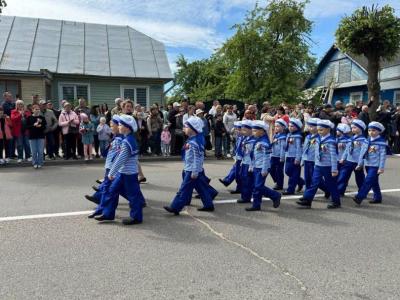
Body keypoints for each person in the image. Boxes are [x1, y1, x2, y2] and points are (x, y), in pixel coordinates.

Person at [94, 115, 145, 225]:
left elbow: (121, 159)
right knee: (112, 191)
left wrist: (111, 172)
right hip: (122, 172)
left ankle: (136, 217)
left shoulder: (128, 141)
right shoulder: (128, 139)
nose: (119, 126)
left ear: (127, 127)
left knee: (133, 195)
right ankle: (108, 213)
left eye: (121, 125)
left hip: (129, 174)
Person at [164, 116, 215, 215]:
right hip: (192, 169)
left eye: (186, 126)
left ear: (193, 129)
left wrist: (195, 171)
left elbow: (198, 158)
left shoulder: (194, 143)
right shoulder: (194, 140)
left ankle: (175, 207)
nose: (184, 128)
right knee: (201, 188)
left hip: (192, 170)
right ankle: (209, 204)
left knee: (184, 189)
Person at [297, 119, 341, 209]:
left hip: (328, 166)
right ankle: (307, 200)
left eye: (321, 130)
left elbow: (334, 156)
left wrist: (334, 169)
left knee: (331, 184)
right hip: (318, 165)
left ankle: (336, 201)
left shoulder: (331, 141)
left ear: (328, 129)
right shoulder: (318, 139)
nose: (319, 132)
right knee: (314, 182)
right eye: (318, 129)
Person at [85, 115, 123, 207]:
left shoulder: (121, 138)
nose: (111, 127)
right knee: (110, 184)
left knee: (120, 187)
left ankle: (139, 201)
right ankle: (99, 197)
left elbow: (120, 154)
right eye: (110, 125)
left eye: (112, 125)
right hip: (111, 164)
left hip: (115, 165)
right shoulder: (116, 136)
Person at [246, 120, 281, 211]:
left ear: (262, 131)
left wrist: (264, 169)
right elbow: (254, 156)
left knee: (258, 186)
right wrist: (251, 166)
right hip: (256, 166)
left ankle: (275, 195)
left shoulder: (264, 143)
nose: (253, 133)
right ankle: (256, 205)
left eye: (255, 131)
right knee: (256, 186)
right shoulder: (258, 141)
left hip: (262, 167)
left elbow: (266, 157)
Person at [353, 122, 387, 205]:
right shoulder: (366, 141)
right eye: (369, 130)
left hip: (376, 166)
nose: (371, 132)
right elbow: (362, 153)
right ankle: (378, 197)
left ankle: (359, 197)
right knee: (374, 182)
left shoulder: (381, 142)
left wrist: (381, 168)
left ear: (379, 131)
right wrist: (360, 164)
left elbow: (383, 156)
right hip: (367, 164)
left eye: (374, 130)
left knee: (368, 181)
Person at [337, 119, 367, 195]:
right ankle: (340, 190)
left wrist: (360, 163)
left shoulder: (363, 140)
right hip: (348, 161)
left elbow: (363, 153)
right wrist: (343, 158)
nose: (352, 129)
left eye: (355, 128)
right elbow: (347, 150)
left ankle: (362, 192)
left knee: (360, 178)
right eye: (352, 128)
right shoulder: (351, 139)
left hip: (357, 162)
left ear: (361, 129)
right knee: (343, 176)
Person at [219, 121, 243, 194]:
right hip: (238, 157)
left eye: (238, 129)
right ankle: (228, 181)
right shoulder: (239, 137)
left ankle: (239, 188)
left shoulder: (244, 138)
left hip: (242, 158)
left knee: (239, 174)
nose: (236, 131)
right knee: (235, 171)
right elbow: (236, 147)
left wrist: (240, 158)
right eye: (236, 129)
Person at [283, 118, 305, 195]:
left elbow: (299, 148)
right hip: (288, 156)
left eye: (292, 126)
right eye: (289, 126)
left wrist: (298, 158)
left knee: (294, 174)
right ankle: (301, 182)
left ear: (297, 127)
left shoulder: (298, 136)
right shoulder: (289, 135)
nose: (290, 127)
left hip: (295, 157)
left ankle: (290, 189)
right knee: (287, 171)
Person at [237, 120, 256, 204]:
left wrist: (251, 165)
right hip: (244, 162)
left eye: (244, 130)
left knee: (247, 181)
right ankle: (246, 196)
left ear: (251, 130)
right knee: (244, 179)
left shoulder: (252, 141)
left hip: (249, 164)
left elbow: (253, 155)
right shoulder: (246, 139)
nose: (242, 131)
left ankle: (246, 197)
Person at [26, 103, 47, 169]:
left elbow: (44, 126)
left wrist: (40, 126)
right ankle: (35, 163)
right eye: (35, 109)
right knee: (34, 152)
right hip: (32, 137)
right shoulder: (29, 117)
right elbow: (27, 127)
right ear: (32, 110)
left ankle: (40, 163)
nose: (37, 110)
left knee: (40, 151)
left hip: (41, 136)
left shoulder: (42, 118)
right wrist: (33, 125)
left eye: (38, 109)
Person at [270, 119, 287, 191]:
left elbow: (283, 148)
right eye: (275, 126)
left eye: (278, 126)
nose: (276, 128)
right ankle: (277, 181)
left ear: (283, 127)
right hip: (273, 155)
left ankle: (279, 184)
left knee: (279, 171)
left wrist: (282, 157)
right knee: (271, 169)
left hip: (279, 156)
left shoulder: (283, 137)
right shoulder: (275, 135)